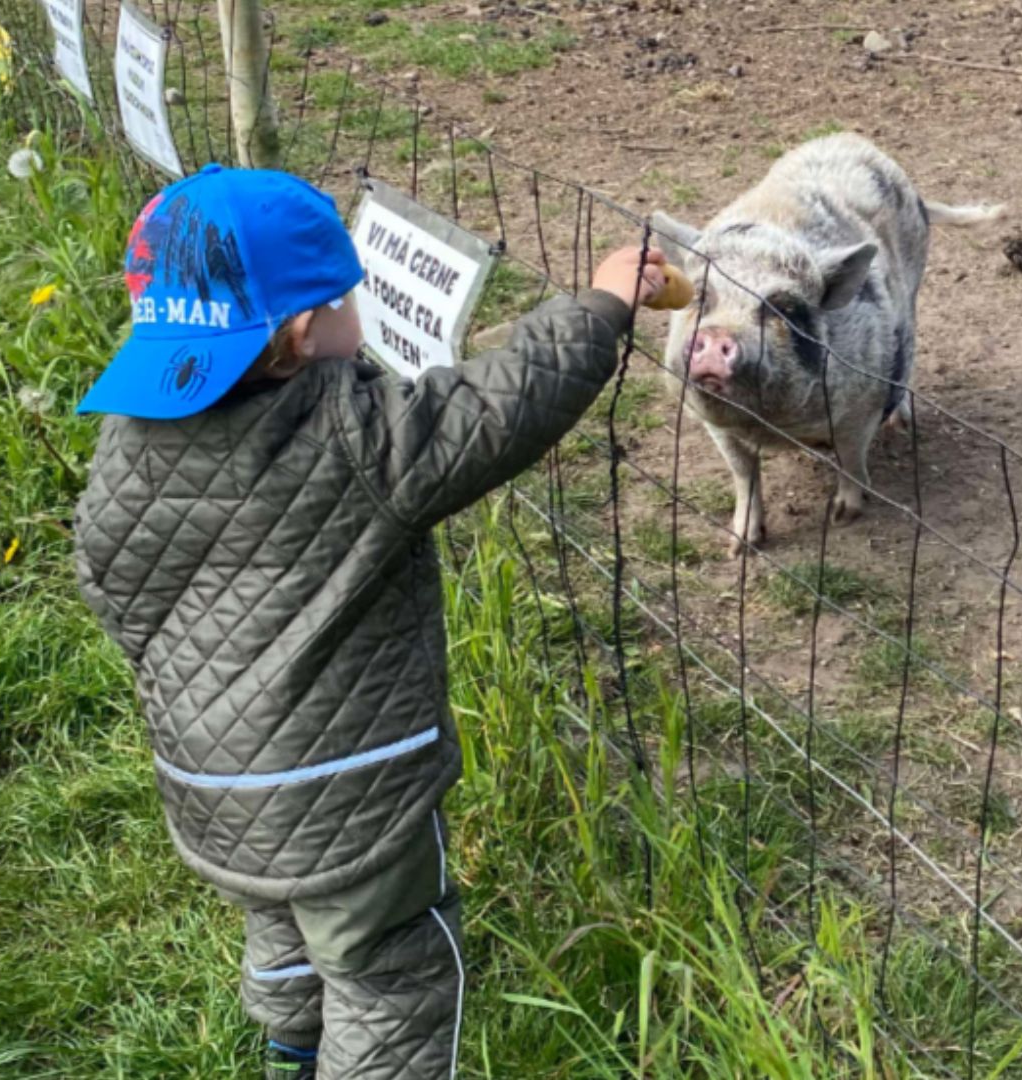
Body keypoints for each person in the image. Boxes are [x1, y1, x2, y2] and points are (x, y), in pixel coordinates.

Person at [72, 164, 667, 1079]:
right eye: (349, 295)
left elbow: (108, 585)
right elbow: (503, 403)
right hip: (353, 794)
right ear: (309, 329)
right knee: (388, 977)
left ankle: (288, 1051)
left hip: (208, 779)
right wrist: (605, 299)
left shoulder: (127, 438)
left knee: (279, 916)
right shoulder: (359, 437)